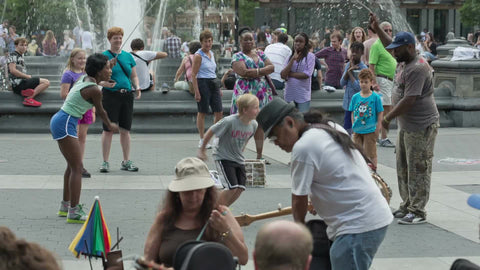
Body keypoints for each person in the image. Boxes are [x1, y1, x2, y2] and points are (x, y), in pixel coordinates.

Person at [256, 98, 393, 270]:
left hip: (357, 225)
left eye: (274, 136)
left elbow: (298, 199)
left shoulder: (303, 147)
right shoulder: (329, 127)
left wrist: (300, 239)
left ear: (290, 123)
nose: (275, 143)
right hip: (370, 217)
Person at [370, 13, 439, 225]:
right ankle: (407, 204)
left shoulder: (418, 67)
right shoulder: (403, 58)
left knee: (418, 167)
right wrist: (377, 28)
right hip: (407, 126)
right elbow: (390, 43)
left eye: (398, 49)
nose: (393, 52)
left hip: (421, 126)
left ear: (409, 47)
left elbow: (409, 100)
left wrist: (387, 118)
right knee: (403, 166)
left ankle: (418, 211)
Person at [143, 157, 248, 268]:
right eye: (187, 191)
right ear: (177, 193)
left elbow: (243, 258)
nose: (193, 196)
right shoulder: (164, 219)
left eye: (198, 190)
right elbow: (146, 261)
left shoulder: (222, 214)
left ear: (206, 190)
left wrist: (225, 231)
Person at [51, 53, 118, 223]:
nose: (110, 71)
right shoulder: (94, 89)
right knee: (77, 168)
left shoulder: (86, 79)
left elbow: (97, 80)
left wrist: (109, 63)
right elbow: (101, 111)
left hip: (63, 121)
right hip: (65, 123)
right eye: (107, 68)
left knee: (71, 166)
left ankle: (65, 206)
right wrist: (110, 125)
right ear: (98, 71)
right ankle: (74, 212)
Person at [198, 94, 259, 206]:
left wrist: (241, 152)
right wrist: (202, 150)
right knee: (231, 187)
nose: (258, 110)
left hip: (238, 158)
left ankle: (223, 209)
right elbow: (211, 131)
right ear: (245, 110)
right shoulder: (229, 121)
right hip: (223, 156)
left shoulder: (254, 125)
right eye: (255, 107)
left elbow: (246, 139)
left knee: (240, 188)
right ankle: (212, 211)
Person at [100, 26, 142, 173]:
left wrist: (137, 86)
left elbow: (134, 75)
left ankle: (126, 161)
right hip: (110, 95)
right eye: (115, 38)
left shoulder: (128, 56)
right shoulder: (104, 56)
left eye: (119, 37)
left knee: (125, 129)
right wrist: (105, 79)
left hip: (127, 95)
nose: (118, 40)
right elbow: (97, 77)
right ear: (109, 39)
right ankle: (105, 162)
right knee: (108, 129)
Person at [231, 27, 274, 163]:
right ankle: (237, 154)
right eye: (246, 40)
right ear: (240, 42)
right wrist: (261, 71)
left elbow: (272, 67)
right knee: (244, 123)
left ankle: (259, 155)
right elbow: (243, 72)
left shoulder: (260, 53)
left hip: (261, 92)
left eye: (251, 39)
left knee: (259, 124)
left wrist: (254, 72)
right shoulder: (237, 56)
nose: (249, 42)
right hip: (245, 93)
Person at [191, 30, 223, 149]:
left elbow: (213, 71)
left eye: (210, 41)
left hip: (213, 82)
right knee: (202, 111)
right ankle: (202, 138)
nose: (208, 44)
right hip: (202, 82)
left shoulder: (212, 54)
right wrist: (197, 91)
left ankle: (214, 137)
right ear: (201, 42)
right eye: (205, 42)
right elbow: (193, 74)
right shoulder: (198, 56)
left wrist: (218, 88)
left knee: (219, 111)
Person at [369, 21, 397, 148]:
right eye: (385, 30)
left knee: (386, 109)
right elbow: (371, 65)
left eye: (390, 30)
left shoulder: (391, 45)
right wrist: (374, 82)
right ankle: (383, 137)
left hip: (390, 80)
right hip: (382, 80)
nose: (388, 33)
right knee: (385, 110)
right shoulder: (377, 45)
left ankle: (379, 136)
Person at [349, 69, 383, 168]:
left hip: (370, 130)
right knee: (357, 153)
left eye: (366, 82)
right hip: (357, 130)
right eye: (361, 82)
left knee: (371, 152)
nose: (363, 84)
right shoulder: (355, 97)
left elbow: (380, 113)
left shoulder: (375, 97)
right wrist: (353, 125)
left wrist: (378, 127)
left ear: (371, 83)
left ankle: (374, 172)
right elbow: (352, 112)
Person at [8, 37, 50, 107]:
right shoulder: (13, 55)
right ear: (16, 46)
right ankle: (29, 98)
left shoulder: (20, 55)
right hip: (19, 84)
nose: (24, 47)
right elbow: (12, 70)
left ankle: (25, 92)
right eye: (21, 45)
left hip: (20, 83)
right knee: (46, 82)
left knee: (40, 86)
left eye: (25, 45)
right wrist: (27, 76)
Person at [281, 33, 315, 113]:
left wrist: (290, 74)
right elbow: (282, 75)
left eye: (301, 41)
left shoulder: (310, 56)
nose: (298, 43)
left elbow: (307, 74)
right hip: (289, 94)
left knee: (302, 119)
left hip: (303, 96)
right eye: (296, 41)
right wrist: (293, 59)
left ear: (305, 44)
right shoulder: (290, 56)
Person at [340, 41, 368, 135]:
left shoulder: (363, 69)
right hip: (348, 104)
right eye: (353, 52)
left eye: (357, 52)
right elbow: (342, 83)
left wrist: (350, 74)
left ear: (362, 53)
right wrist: (348, 70)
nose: (354, 54)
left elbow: (359, 88)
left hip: (358, 105)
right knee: (346, 129)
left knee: (356, 130)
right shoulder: (349, 65)